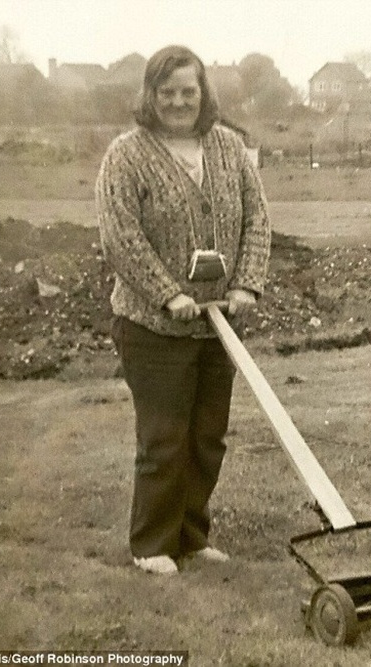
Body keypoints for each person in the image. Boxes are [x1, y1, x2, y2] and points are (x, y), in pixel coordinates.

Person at [95, 45, 271, 575]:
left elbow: (257, 221)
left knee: (206, 437)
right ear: (151, 95)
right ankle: (152, 545)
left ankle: (192, 537)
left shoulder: (229, 148)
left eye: (188, 91)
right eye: (167, 92)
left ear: (203, 93)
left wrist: (246, 287)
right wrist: (168, 293)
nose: (178, 102)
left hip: (218, 326)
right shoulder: (127, 155)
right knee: (164, 439)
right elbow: (120, 235)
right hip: (152, 326)